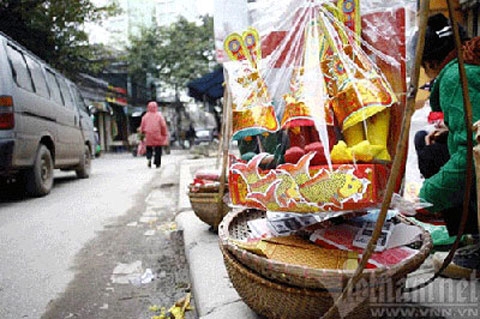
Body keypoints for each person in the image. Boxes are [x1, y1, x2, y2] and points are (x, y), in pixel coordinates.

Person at [418, 13, 480, 278]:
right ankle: (472, 234)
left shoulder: (456, 76)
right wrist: (449, 129)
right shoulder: (469, 63)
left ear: (432, 62)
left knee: (432, 156)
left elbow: (471, 156)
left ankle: (474, 244)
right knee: (428, 140)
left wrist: (426, 197)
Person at [139, 101, 169, 168]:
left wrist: (142, 133)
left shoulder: (145, 116)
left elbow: (142, 126)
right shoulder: (159, 116)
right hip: (157, 134)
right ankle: (157, 163)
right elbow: (163, 125)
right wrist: (164, 133)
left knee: (149, 147)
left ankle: (149, 158)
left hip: (148, 135)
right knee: (158, 148)